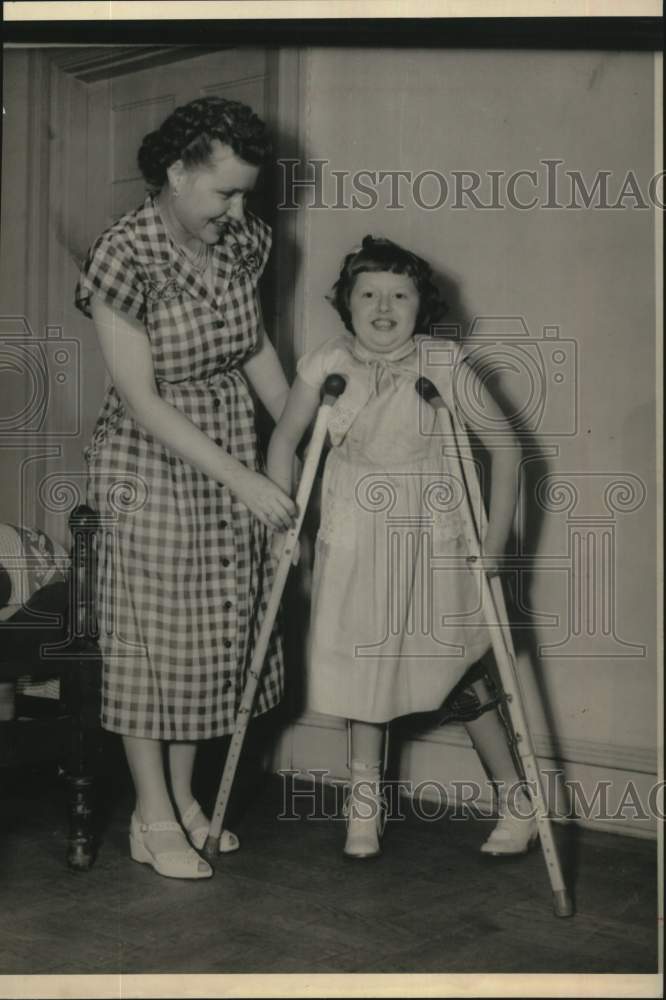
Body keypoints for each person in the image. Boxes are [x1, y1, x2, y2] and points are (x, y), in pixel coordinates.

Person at [75, 96, 296, 879]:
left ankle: (185, 798)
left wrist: (297, 434)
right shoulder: (123, 254)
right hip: (150, 460)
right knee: (153, 645)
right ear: (175, 173)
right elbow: (142, 397)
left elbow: (256, 351)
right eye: (224, 192)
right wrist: (244, 476)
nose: (238, 209)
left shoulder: (240, 240)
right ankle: (150, 813)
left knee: (216, 635)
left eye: (245, 193)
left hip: (229, 439)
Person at [267, 235, 537, 860]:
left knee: (459, 670)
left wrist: (494, 545)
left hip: (431, 539)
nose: (383, 307)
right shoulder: (325, 361)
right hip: (357, 536)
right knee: (363, 670)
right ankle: (365, 806)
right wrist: (284, 525)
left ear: (422, 305)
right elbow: (284, 444)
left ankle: (517, 801)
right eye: (368, 294)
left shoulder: (443, 363)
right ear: (346, 302)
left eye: (399, 294)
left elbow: (507, 450)